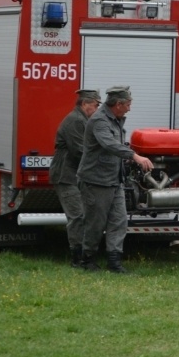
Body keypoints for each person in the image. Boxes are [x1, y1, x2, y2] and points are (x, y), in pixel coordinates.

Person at [77, 86, 153, 273]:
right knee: (95, 223)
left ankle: (114, 262)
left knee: (119, 221)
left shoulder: (115, 119)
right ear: (118, 104)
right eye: (127, 104)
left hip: (114, 180)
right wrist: (134, 156)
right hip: (96, 180)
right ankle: (88, 260)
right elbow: (109, 144)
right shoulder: (99, 120)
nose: (129, 108)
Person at [50, 89, 102, 268]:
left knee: (83, 215)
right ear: (85, 104)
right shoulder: (75, 120)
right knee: (77, 215)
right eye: (96, 104)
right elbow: (80, 150)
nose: (97, 109)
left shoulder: (83, 120)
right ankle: (77, 258)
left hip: (75, 175)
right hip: (66, 175)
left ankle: (84, 256)